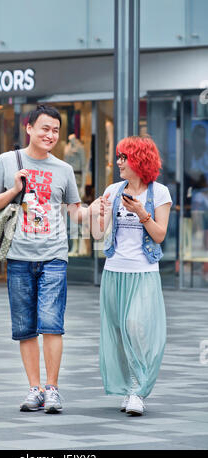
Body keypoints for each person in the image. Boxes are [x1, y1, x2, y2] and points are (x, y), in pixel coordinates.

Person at [0, 105, 100, 414]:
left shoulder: (63, 169)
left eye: (55, 131)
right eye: (45, 128)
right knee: (25, 327)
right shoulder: (8, 161)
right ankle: (33, 389)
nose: (50, 135)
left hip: (54, 256)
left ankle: (52, 390)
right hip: (19, 256)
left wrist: (94, 210)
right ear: (29, 128)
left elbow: (76, 210)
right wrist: (15, 189)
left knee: (52, 324)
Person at [92, 135, 172, 416]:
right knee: (117, 331)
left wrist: (141, 213)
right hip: (114, 271)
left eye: (124, 157)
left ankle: (139, 389)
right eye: (119, 157)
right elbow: (98, 233)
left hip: (144, 273)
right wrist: (99, 214)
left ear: (139, 159)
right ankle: (129, 388)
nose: (118, 162)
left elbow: (160, 235)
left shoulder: (158, 193)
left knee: (135, 326)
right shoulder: (113, 190)